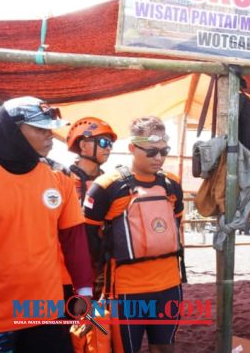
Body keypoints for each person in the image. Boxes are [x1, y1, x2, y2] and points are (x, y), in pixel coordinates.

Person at [0, 96, 93, 353]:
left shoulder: (59, 180)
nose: (50, 136)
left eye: (51, 128)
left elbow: (74, 238)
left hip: (45, 311)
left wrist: (84, 290)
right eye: (40, 129)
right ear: (12, 130)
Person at [84, 116, 184, 353]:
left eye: (163, 151)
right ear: (132, 148)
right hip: (126, 288)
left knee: (164, 347)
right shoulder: (107, 186)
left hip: (169, 283)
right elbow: (88, 236)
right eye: (150, 152)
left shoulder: (171, 184)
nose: (158, 158)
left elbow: (177, 224)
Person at [65, 117, 117, 300]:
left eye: (110, 144)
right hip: (68, 268)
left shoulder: (112, 183)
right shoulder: (61, 180)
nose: (108, 148)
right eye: (103, 142)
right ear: (83, 145)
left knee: (101, 324)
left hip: (103, 269)